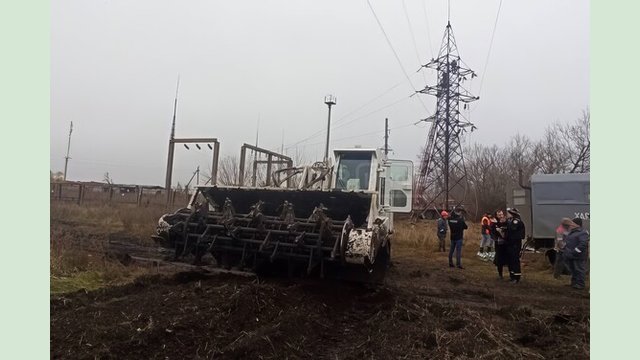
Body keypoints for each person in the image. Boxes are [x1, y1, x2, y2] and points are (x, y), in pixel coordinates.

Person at [560, 217, 589, 290]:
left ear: (577, 224)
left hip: (578, 256)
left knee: (579, 269)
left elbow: (583, 244)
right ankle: (574, 283)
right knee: (573, 270)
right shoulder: (571, 232)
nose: (571, 224)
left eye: (573, 223)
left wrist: (576, 251)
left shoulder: (583, 232)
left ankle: (580, 284)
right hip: (571, 255)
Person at [505, 208, 525, 283]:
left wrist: (506, 227)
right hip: (510, 243)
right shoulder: (511, 221)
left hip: (515, 244)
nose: (508, 214)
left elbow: (513, 229)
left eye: (509, 213)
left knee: (515, 260)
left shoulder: (516, 221)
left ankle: (516, 277)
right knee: (510, 260)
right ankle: (512, 276)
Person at [491, 209, 508, 279]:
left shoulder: (506, 222)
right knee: (499, 260)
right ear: (496, 216)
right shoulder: (494, 223)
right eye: (499, 215)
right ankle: (500, 274)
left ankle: (512, 274)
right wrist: (495, 238)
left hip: (506, 244)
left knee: (508, 258)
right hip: (498, 244)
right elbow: (492, 232)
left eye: (501, 214)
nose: (501, 216)